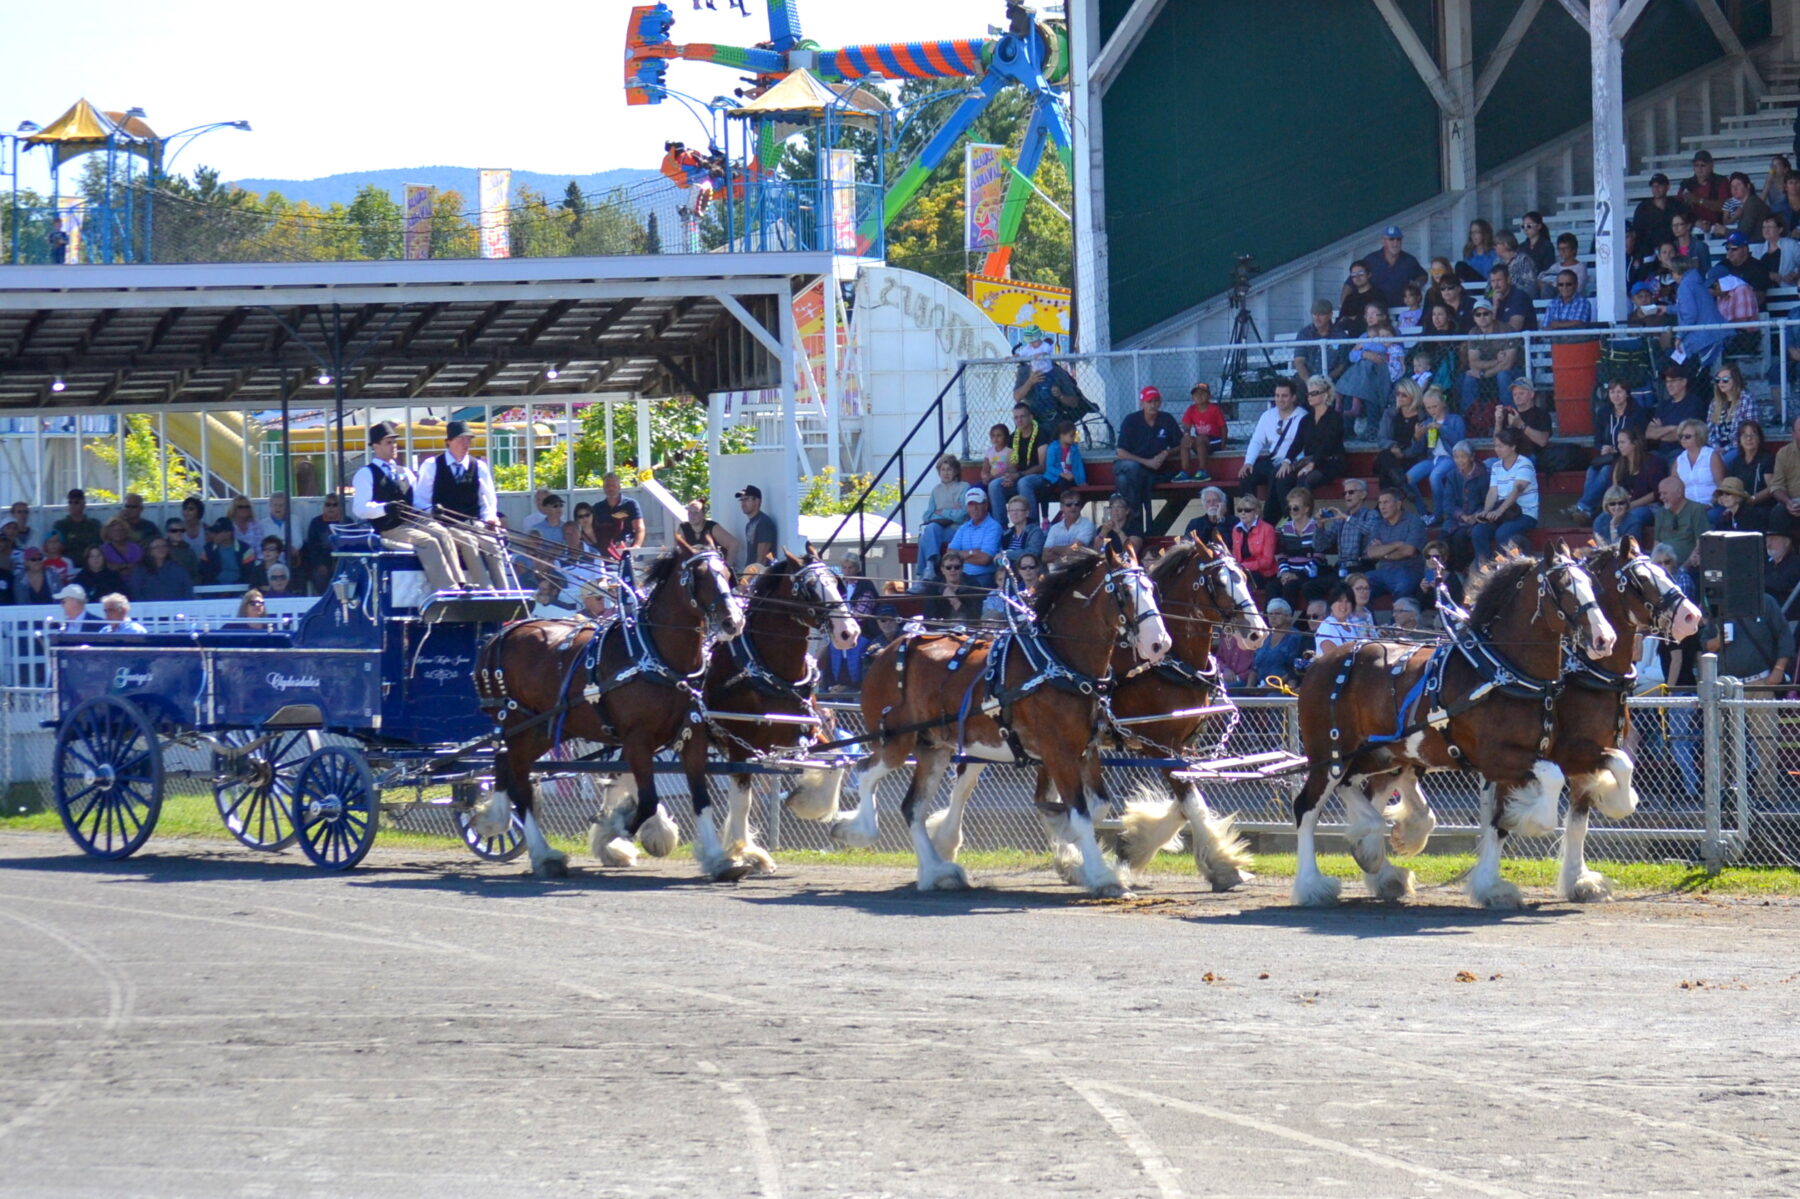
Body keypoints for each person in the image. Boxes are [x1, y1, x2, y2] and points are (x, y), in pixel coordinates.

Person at [352, 421, 465, 593]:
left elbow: (416, 501)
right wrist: (385, 508)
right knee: (428, 541)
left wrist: (431, 509)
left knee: (443, 532)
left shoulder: (404, 471)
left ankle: (461, 582)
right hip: (390, 527)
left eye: (395, 442)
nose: (394, 446)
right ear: (375, 446)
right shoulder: (365, 474)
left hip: (412, 521)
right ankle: (446, 589)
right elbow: (360, 509)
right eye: (388, 442)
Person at [414, 420, 507, 587]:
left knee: (493, 545)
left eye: (468, 440)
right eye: (461, 439)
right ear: (449, 441)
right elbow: (420, 500)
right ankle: (486, 590)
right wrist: (432, 513)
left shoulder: (478, 466)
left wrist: (490, 518)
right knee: (468, 541)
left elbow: (488, 499)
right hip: (446, 525)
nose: (466, 444)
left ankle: (504, 591)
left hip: (474, 523)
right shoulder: (432, 465)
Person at [1573, 380, 1650, 520]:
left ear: (1627, 394)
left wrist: (1619, 449)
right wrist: (1603, 448)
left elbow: (1639, 439)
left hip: (1628, 455)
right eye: (1612, 392)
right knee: (1592, 470)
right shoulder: (1603, 412)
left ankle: (1583, 507)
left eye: (1619, 392)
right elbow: (1597, 440)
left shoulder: (1637, 413)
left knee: (1606, 471)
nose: (1616, 396)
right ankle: (1587, 510)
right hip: (1608, 456)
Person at [1238, 377, 1307, 523]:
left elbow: (1303, 446)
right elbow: (1257, 440)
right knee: (1246, 475)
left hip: (1294, 462)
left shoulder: (1303, 416)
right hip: (1274, 461)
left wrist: (1290, 463)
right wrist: (1248, 462)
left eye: (1284, 396)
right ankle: (1250, 517)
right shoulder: (1267, 415)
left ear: (1293, 397)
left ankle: (1287, 520)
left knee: (1278, 477)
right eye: (1277, 396)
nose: (1280, 399)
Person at [1113, 385, 1182, 527]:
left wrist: (1166, 453)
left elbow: (1181, 444)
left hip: (1152, 469)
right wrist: (1147, 462)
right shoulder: (1131, 420)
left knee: (1123, 480)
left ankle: (1131, 522)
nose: (1153, 404)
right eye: (1149, 401)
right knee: (1132, 467)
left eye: (1156, 401)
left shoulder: (1166, 419)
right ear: (1142, 403)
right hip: (1129, 464)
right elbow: (1120, 452)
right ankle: (1137, 516)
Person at [1470, 427, 1539, 561]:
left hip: (1524, 513)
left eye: (1501, 446)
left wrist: (1499, 511)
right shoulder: (1496, 466)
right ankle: (1485, 568)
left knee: (1503, 533)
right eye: (1496, 446)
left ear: (1513, 447)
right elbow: (1493, 491)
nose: (1497, 449)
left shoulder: (1525, 464)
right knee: (1478, 532)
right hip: (1503, 512)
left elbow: (1517, 490)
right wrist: (1486, 511)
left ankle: (1506, 568)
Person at [1410, 387, 1465, 524]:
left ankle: (1439, 514)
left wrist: (1442, 428)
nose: (1432, 410)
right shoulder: (1427, 422)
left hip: (1450, 458)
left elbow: (1460, 441)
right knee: (1408, 478)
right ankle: (1423, 513)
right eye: (1428, 408)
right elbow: (1417, 450)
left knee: (1435, 476)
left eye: (1435, 406)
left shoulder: (1455, 420)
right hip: (1432, 459)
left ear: (1443, 404)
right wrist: (1417, 437)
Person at [912, 455, 969, 588]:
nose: (946, 473)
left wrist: (942, 512)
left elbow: (962, 515)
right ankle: (929, 567)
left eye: (949, 469)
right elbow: (927, 516)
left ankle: (923, 574)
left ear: (955, 471)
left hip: (957, 529)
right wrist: (950, 512)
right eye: (942, 470)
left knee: (926, 535)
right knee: (930, 529)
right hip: (939, 529)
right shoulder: (936, 490)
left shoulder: (964, 487)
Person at [1364, 487, 1429, 600]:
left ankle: (1398, 618)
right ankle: (1367, 618)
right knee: (1360, 585)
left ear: (1398, 504)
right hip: (1383, 572)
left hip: (1409, 571)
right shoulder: (1378, 525)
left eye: (1386, 502)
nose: (1382, 507)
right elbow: (1371, 552)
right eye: (1380, 503)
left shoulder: (1414, 521)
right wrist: (1397, 545)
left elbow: (1409, 551)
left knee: (1403, 586)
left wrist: (1383, 552)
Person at [1290, 376, 1347, 496]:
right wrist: (1286, 460)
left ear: (1325, 395)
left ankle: (1303, 513)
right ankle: (1283, 514)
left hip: (1330, 463)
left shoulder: (1335, 418)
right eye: (1309, 393)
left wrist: (1313, 463)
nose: (1310, 396)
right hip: (1310, 462)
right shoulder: (1306, 419)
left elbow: (1328, 443)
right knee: (1281, 475)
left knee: (1306, 478)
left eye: (1314, 393)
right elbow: (1297, 443)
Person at [988, 402, 1049, 515]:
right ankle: (1001, 527)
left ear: (1031, 417)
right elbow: (1012, 466)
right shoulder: (1013, 438)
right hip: (1018, 477)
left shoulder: (1041, 434)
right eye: (1016, 417)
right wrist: (1009, 477)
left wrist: (1019, 475)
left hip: (1040, 478)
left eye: (1022, 416)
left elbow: (1042, 467)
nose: (1019, 420)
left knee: (1023, 482)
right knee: (994, 485)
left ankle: (1031, 525)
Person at [1672, 255, 1729, 376]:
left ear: (1676, 272)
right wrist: (1667, 309)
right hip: (1715, 333)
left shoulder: (1685, 286)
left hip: (1705, 337)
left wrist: (1679, 336)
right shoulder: (1696, 281)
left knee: (1690, 374)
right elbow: (1691, 307)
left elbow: (1690, 314)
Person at [1610, 425, 1667, 540]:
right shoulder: (1619, 464)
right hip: (1623, 505)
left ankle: (1629, 552)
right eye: (1618, 442)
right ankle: (1606, 550)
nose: (1619, 446)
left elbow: (1656, 493)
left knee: (1632, 516)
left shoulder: (1653, 462)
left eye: (1623, 442)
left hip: (1650, 507)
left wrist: (1631, 505)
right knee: (1601, 519)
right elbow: (1615, 490)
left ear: (1634, 443)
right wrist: (1619, 505)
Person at [1374, 380, 1426, 505]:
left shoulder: (1423, 417)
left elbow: (1421, 447)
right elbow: (1381, 438)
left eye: (1404, 395)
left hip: (1411, 458)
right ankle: (1404, 487)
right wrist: (1393, 446)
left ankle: (1382, 507)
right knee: (1386, 456)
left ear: (1414, 396)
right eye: (1398, 394)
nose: (1400, 397)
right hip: (1392, 456)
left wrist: (1404, 453)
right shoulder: (1390, 414)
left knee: (1385, 468)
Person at [1274, 487, 1327, 608]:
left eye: (1296, 507)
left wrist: (1299, 575)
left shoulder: (1316, 526)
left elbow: (1319, 556)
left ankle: (1289, 623)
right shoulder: (1285, 528)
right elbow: (1282, 554)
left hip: (1309, 574)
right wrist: (1285, 572)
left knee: (1290, 587)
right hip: (1290, 572)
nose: (1292, 511)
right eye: (1290, 507)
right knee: (1272, 586)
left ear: (1306, 509)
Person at [1321, 478, 1381, 581]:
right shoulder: (1341, 518)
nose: (1347, 496)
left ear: (1363, 495)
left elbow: (1370, 530)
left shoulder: (1371, 514)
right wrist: (1319, 525)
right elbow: (1321, 545)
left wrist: (1347, 518)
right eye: (1344, 493)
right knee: (1311, 587)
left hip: (1362, 567)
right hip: (1341, 567)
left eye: (1351, 492)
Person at [1356, 224, 1427, 309]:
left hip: (1402, 312)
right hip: (1377, 313)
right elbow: (1349, 284)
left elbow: (1423, 276)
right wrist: (1345, 307)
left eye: (1398, 239)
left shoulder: (1409, 261)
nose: (1395, 243)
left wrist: (1416, 285)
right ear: (1383, 241)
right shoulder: (1370, 260)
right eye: (1391, 239)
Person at [1645, 363, 1706, 456]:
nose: (1669, 385)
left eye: (1673, 381)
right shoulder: (1663, 405)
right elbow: (1648, 433)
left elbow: (1682, 435)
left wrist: (1659, 431)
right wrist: (1672, 428)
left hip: (1683, 451)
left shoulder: (1693, 403)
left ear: (1684, 382)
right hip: (1661, 452)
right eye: (1667, 382)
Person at [945, 488, 1002, 588]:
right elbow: (950, 553)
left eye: (978, 503)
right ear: (967, 507)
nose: (974, 508)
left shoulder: (994, 527)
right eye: (971, 504)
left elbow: (985, 559)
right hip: (962, 576)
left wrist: (960, 556)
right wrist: (972, 553)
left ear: (986, 505)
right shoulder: (963, 527)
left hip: (984, 576)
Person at [1249, 598, 1310, 685]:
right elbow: (1254, 668)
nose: (1273, 617)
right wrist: (1249, 688)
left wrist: (1272, 686)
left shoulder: (1295, 637)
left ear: (1288, 616)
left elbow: (1293, 670)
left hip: (1281, 687)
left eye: (1277, 613)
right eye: (1270, 614)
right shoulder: (1264, 636)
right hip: (1259, 686)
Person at [1653, 475, 1710, 569]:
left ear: (1679, 493)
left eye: (1665, 493)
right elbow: (1657, 543)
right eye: (1660, 494)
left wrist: (1684, 568)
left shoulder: (1696, 509)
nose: (1661, 497)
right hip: (1664, 566)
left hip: (1687, 566)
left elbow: (1701, 543)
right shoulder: (1660, 513)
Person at [1175, 382, 1225, 482]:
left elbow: (1223, 428)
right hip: (1200, 441)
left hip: (1214, 441)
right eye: (1196, 394)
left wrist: (1223, 444)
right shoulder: (1191, 409)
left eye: (1203, 393)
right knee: (1185, 440)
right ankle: (1185, 471)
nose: (1199, 396)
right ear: (1192, 397)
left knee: (1200, 438)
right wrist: (1187, 435)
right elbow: (1186, 426)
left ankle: (1203, 470)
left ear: (1209, 396)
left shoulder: (1214, 409)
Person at [1669, 418, 1723, 508]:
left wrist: (1711, 504)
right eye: (1680, 436)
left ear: (1699, 436)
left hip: (1711, 505)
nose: (1683, 439)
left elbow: (1721, 486)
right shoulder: (1679, 460)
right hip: (1687, 508)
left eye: (1687, 436)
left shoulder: (1712, 456)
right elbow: (1674, 489)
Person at [1228, 495, 1276, 594]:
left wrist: (1244, 566)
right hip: (1242, 570)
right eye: (1240, 510)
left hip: (1263, 573)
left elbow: (1267, 562)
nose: (1243, 513)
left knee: (1241, 582)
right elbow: (1236, 556)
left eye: (1247, 510)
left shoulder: (1267, 529)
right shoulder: (1236, 529)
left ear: (1256, 512)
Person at [1725, 420, 1778, 509]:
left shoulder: (1768, 459)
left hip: (1762, 506)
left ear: (1759, 438)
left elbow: (1771, 488)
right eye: (1745, 435)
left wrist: (1751, 499)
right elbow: (1730, 487)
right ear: (1739, 439)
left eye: (1753, 435)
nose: (1749, 438)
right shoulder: (1736, 462)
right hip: (1740, 506)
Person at [1038, 420, 1087, 513]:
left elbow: (1079, 466)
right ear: (1062, 435)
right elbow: (1050, 467)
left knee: (1064, 484)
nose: (1073, 438)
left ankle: (1065, 511)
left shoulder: (1074, 449)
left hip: (1069, 477)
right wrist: (1062, 474)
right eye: (1071, 435)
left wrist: (1082, 481)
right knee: (1044, 488)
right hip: (1054, 476)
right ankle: (1045, 516)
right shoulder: (1053, 447)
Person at [1291, 299, 1345, 381]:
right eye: (1314, 314)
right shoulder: (1304, 334)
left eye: (1321, 314)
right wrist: (1309, 382)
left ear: (1330, 315)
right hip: (1307, 378)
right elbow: (1299, 361)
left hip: (1332, 379)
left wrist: (1326, 380)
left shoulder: (1340, 335)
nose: (1317, 318)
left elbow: (1342, 365)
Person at [299, 495, 344, 594]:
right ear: (323, 506)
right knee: (319, 575)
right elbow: (311, 547)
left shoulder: (347, 521)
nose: (331, 508)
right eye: (328, 504)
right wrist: (319, 564)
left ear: (340, 507)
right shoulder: (315, 523)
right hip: (322, 561)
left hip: (343, 560)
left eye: (334, 505)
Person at [1632, 172, 1686, 253]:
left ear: (1668, 187)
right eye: (1653, 186)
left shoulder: (1677, 205)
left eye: (1659, 185)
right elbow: (1637, 233)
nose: (1656, 189)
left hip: (1674, 250)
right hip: (1649, 251)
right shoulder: (1643, 208)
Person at [925, 553, 982, 625]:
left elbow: (975, 617)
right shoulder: (933, 586)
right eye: (948, 567)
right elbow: (929, 617)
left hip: (966, 630)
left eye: (957, 567)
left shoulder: (972, 585)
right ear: (942, 570)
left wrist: (955, 600)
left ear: (962, 569)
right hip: (940, 630)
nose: (953, 570)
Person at [679, 497, 742, 562]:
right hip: (692, 565)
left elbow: (734, 544)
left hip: (712, 565)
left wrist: (727, 566)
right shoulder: (683, 527)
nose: (692, 515)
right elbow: (679, 550)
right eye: (690, 512)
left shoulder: (712, 527)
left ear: (703, 514)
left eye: (696, 512)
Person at [1681, 149, 1729, 231]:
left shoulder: (1721, 181)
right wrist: (1696, 222)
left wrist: (1698, 200)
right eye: (1696, 165)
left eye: (1703, 165)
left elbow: (1724, 206)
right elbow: (1679, 208)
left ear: (1711, 165)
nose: (1699, 169)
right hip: (1692, 230)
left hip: (1718, 229)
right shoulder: (1686, 184)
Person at [1042, 494, 1096, 565]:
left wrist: (1055, 549)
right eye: (1069, 505)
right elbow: (1045, 557)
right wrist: (1067, 557)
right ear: (1061, 507)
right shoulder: (1054, 528)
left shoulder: (1088, 525)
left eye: (1077, 504)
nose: (1073, 507)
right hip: (1057, 572)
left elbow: (1075, 548)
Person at [52, 489, 103, 562]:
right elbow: (55, 548)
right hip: (68, 565)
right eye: (70, 502)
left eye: (76, 502)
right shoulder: (60, 525)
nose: (72, 505)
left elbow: (99, 546)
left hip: (90, 564)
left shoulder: (94, 525)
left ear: (84, 504)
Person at [737, 484, 778, 572]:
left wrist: (747, 581)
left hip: (763, 576)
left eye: (747, 499)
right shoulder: (749, 524)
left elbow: (762, 558)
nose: (743, 503)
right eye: (741, 500)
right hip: (750, 572)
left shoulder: (764, 522)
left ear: (757, 501)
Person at [1094, 493, 1146, 559]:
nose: (1115, 510)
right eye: (1113, 507)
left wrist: (1119, 532)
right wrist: (1103, 532)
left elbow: (1132, 552)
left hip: (1128, 565)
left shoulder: (1134, 528)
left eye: (1119, 507)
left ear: (1127, 511)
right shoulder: (1103, 528)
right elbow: (1097, 551)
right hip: (1108, 565)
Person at [1313, 584, 1363, 651]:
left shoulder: (1350, 626)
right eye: (1339, 601)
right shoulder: (1327, 626)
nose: (1343, 605)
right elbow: (1332, 658)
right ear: (1331, 604)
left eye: (1347, 601)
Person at [998, 495, 1045, 564]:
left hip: (1028, 570)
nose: (1014, 513)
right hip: (1009, 571)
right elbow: (999, 558)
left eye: (1018, 510)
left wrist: (1007, 554)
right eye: (1011, 510)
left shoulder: (1035, 532)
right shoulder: (1006, 534)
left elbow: (1032, 553)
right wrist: (998, 561)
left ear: (1027, 513)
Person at [99, 518, 145, 582]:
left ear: (126, 532)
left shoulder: (135, 547)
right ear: (108, 533)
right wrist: (126, 566)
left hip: (135, 582)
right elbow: (104, 566)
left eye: (121, 530)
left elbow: (141, 565)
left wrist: (118, 567)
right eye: (114, 530)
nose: (118, 533)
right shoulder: (102, 550)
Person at [1773, 413, 1800, 517]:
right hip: (1794, 502)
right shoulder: (1784, 453)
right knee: (1778, 513)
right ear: (1793, 434)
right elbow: (1777, 486)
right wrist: (1788, 502)